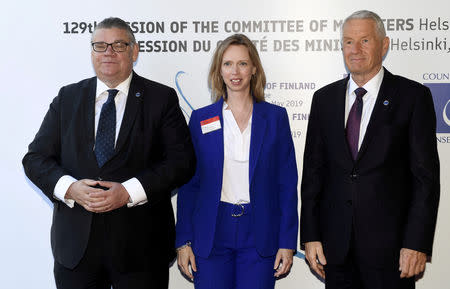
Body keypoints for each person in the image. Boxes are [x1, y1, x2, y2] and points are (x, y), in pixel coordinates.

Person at [22, 17, 195, 289]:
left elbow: (182, 162)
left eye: (118, 45)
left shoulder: (161, 98)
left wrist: (129, 191)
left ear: (134, 51)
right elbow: (35, 159)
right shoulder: (68, 98)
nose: (108, 52)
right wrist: (70, 188)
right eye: (100, 45)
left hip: (142, 250)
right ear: (92, 52)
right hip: (76, 251)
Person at [300, 10, 440, 289]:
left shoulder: (413, 97)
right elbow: (313, 173)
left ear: (384, 44)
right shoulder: (324, 99)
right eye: (348, 42)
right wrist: (311, 235)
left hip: (392, 253)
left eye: (364, 40)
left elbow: (425, 179)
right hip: (336, 251)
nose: (355, 50)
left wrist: (417, 242)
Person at [175, 34, 298, 289]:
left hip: (260, 232)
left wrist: (287, 241)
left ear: (254, 68)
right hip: (211, 232)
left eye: (243, 63)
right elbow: (189, 186)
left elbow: (286, 185)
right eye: (228, 64)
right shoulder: (200, 119)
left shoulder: (275, 118)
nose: (235, 71)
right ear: (219, 70)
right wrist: (184, 240)